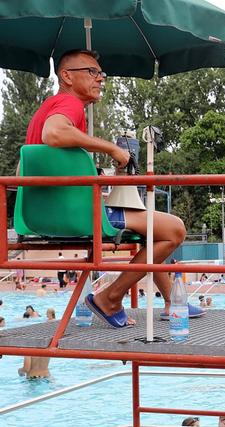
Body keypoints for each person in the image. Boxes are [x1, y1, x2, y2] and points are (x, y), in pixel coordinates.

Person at [25, 49, 198, 328]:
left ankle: (171, 300)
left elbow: (25, 171)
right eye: (91, 72)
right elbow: (54, 133)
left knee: (151, 228)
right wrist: (112, 148)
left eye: (101, 73)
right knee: (174, 229)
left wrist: (102, 175)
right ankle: (110, 297)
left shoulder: (46, 109)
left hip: (42, 215)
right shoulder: (69, 104)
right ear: (66, 76)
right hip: (76, 216)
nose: (100, 78)